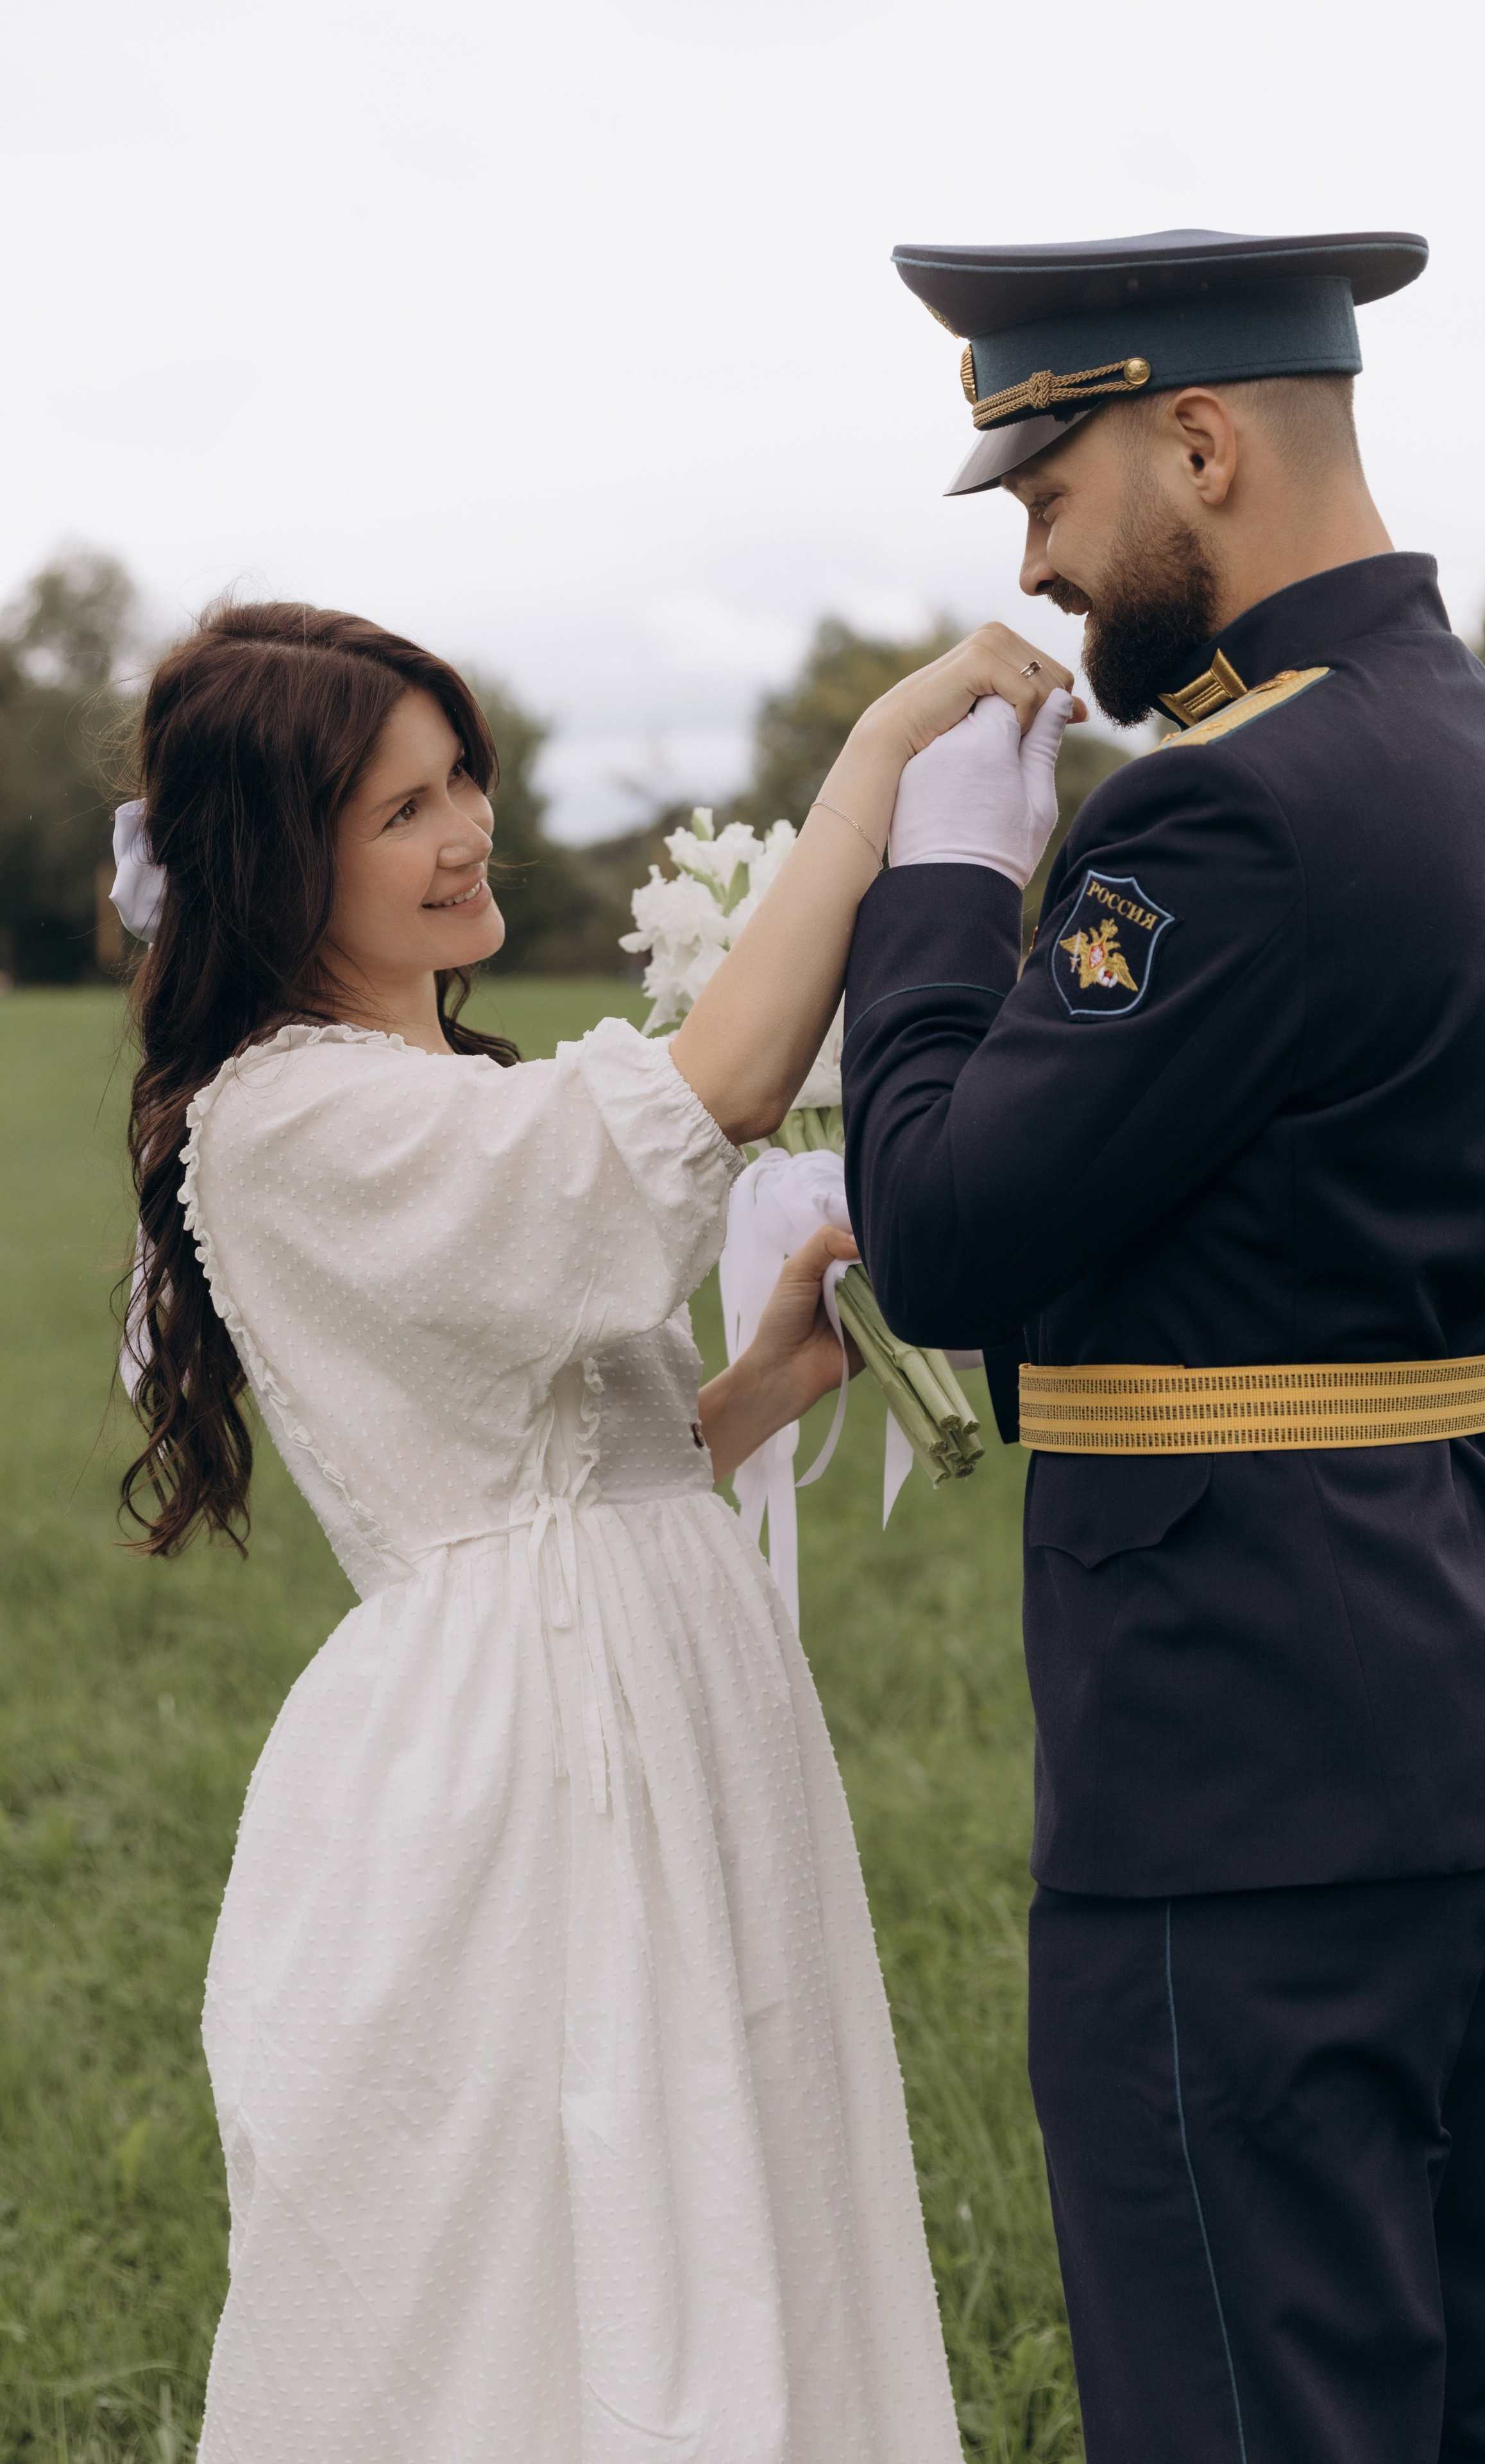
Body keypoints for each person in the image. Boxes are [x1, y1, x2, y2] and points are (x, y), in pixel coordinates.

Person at [115, 598, 1078, 2462]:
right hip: (516, 1768)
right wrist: (877, 771)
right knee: (554, 2239)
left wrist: (771, 1387)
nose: (464, 828)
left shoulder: (448, 1090)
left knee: (727, 2179)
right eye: (400, 811)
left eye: (461, 778)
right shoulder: (283, 1119)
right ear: (274, 862)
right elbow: (690, 1108)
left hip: (662, 1689)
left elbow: (571, 1465)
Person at [842, 228, 1485, 2460]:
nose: (1046, 566)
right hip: (1480, 1696)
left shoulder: (1228, 808)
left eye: (1045, 495)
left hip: (1248, 1755)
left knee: (1255, 2408)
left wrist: (938, 897)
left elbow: (951, 1235)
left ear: (1200, 440)